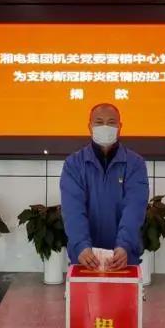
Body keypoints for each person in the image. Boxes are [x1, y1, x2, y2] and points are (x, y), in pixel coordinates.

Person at [60, 103, 150, 271]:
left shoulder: (135, 163)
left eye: (111, 122)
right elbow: (72, 209)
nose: (105, 127)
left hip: (123, 259)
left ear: (120, 127)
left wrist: (124, 245)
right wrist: (81, 246)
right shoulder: (74, 164)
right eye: (99, 122)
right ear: (90, 127)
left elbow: (135, 208)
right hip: (85, 259)